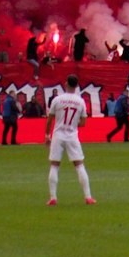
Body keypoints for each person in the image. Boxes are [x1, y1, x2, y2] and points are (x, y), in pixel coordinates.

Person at [45, 75, 95, 206]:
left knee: (54, 165)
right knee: (79, 165)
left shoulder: (57, 99)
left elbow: (50, 119)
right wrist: (73, 123)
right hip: (72, 136)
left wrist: (46, 135)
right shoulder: (80, 101)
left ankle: (53, 197)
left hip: (58, 135)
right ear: (77, 86)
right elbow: (83, 123)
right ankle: (88, 197)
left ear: (65, 83)